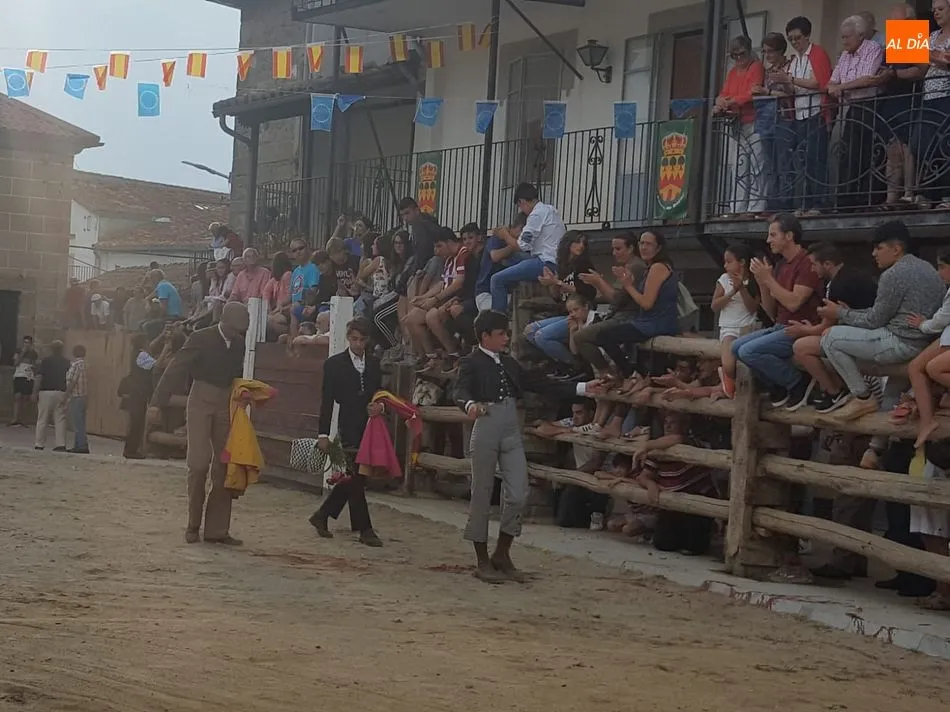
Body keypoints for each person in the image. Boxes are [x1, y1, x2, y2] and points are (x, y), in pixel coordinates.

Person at [454, 310, 599, 583]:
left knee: (519, 492)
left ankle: (502, 553)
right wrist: (470, 404)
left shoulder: (509, 363)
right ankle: (482, 560)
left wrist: (581, 388)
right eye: (501, 334)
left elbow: (539, 383)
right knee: (481, 493)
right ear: (485, 336)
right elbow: (460, 390)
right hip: (486, 427)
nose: (506, 338)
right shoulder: (470, 362)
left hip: (511, 428)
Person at [817, 220, 945, 421]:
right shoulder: (927, 267)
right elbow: (881, 313)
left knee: (830, 338)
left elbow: (874, 321)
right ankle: (880, 439)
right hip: (924, 344)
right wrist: (849, 313)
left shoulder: (893, 274)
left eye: (879, 248)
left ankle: (862, 397)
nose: (873, 253)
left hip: (901, 343)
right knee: (890, 399)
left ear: (896, 249)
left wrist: (840, 314)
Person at [149, 302, 249, 545]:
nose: (236, 333)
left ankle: (217, 530)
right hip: (200, 399)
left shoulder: (239, 343)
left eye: (239, 330)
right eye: (234, 328)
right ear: (223, 322)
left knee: (224, 465)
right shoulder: (201, 337)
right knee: (198, 463)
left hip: (226, 401)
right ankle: (193, 524)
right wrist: (157, 402)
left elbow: (236, 375)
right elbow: (177, 368)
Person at [308, 318, 384, 548]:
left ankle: (322, 515)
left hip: (370, 425)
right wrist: (323, 434)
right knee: (356, 474)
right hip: (348, 423)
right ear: (348, 338)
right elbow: (327, 401)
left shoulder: (374, 363)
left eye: (362, 340)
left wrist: (380, 406)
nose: (358, 344)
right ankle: (365, 529)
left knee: (356, 476)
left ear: (367, 340)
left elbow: (379, 393)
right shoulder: (334, 364)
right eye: (354, 339)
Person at [732, 213, 821, 407]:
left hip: (800, 329)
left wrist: (769, 279)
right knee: (736, 347)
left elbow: (793, 303)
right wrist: (762, 283)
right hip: (780, 326)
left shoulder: (806, 262)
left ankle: (798, 383)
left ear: (789, 236)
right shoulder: (781, 264)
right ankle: (777, 385)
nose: (768, 240)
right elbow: (772, 312)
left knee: (748, 351)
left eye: (773, 235)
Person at [573, 229, 678, 381]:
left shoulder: (656, 267)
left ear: (659, 247)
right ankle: (630, 375)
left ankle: (625, 375)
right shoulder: (650, 267)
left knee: (602, 337)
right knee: (604, 336)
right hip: (647, 321)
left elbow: (646, 303)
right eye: (641, 243)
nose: (643, 247)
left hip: (653, 322)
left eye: (648, 244)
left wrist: (624, 285)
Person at [787, 242, 879, 412]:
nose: (812, 269)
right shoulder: (850, 275)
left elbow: (827, 326)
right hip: (862, 332)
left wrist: (804, 330)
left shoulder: (840, 285)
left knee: (801, 347)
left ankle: (835, 392)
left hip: (864, 338)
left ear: (828, 264)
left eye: (814, 264)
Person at [489, 182, 566, 312]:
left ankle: (497, 318)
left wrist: (505, 235)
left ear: (522, 201)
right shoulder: (550, 210)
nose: (522, 210)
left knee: (496, 279)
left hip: (546, 263)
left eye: (520, 206)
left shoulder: (536, 215)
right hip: (553, 259)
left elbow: (521, 246)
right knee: (511, 258)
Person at [524, 231, 597, 366]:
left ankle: (574, 365)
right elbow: (556, 297)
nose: (581, 245)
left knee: (541, 336)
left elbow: (585, 291)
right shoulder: (563, 266)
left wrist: (558, 282)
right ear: (568, 243)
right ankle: (560, 361)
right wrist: (552, 283)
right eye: (577, 241)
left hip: (580, 312)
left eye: (584, 243)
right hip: (564, 311)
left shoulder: (583, 264)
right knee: (529, 331)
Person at [714, 35, 766, 214]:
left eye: (741, 54)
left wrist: (730, 101)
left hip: (755, 121)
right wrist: (720, 101)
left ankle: (755, 207)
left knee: (757, 165)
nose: (738, 58)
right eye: (734, 55)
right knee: (738, 167)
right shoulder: (732, 72)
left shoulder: (756, 66)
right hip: (737, 122)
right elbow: (724, 92)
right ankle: (737, 208)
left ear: (749, 51)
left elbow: (753, 92)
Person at [710, 244, 760, 398]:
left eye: (729, 261)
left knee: (747, 363)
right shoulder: (724, 279)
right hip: (729, 327)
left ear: (742, 262)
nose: (726, 265)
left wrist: (742, 289)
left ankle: (732, 387)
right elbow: (714, 305)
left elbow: (752, 308)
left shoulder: (753, 280)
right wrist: (732, 292)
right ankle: (728, 381)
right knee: (729, 364)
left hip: (748, 326)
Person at [121, 333, 156, 460]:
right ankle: (131, 450)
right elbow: (156, 364)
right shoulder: (141, 355)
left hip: (136, 393)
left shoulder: (137, 353)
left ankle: (131, 449)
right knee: (137, 423)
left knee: (136, 423)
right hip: (139, 393)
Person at [32, 340, 71, 452]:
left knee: (42, 418)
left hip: (46, 391)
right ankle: (60, 444)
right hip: (60, 392)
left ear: (51, 349)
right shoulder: (66, 362)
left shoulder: (45, 361)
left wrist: (34, 392)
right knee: (60, 419)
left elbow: (39, 377)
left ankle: (39, 443)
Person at [398, 197, 443, 290]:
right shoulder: (421, 224)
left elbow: (423, 254)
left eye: (407, 213)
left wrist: (412, 274)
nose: (405, 218)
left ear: (417, 211)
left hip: (431, 268)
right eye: (402, 215)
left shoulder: (421, 226)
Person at [289, 237, 320, 341]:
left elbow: (313, 292)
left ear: (307, 248)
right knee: (273, 318)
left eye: (300, 248)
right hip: (294, 304)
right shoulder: (295, 271)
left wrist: (300, 302)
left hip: (307, 305)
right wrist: (279, 307)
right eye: (294, 250)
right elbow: (290, 294)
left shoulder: (313, 268)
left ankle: (294, 342)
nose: (298, 252)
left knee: (294, 309)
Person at [65, 344, 89, 454]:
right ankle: (78, 444)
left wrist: (66, 394)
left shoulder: (75, 365)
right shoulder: (84, 365)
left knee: (77, 423)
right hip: (84, 396)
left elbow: (72, 381)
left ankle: (81, 445)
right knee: (80, 421)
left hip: (76, 396)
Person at [9, 335, 38, 427]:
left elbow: (34, 365)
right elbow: (16, 363)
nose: (26, 344)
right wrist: (22, 353)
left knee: (25, 397)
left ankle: (23, 419)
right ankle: (15, 418)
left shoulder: (34, 353)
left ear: (31, 344)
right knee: (17, 396)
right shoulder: (18, 351)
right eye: (25, 342)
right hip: (19, 375)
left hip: (28, 376)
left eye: (28, 343)